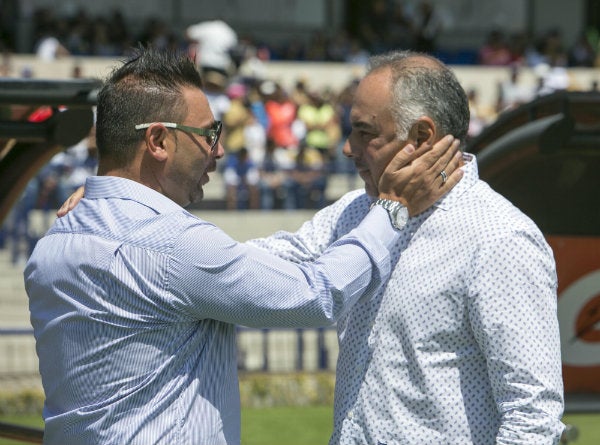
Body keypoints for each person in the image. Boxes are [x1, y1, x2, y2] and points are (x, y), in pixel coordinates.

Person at [25, 47, 462, 445]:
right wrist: (393, 208)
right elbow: (316, 295)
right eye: (208, 133)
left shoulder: (55, 243)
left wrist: (108, 193)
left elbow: (231, 267)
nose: (218, 152)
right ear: (158, 141)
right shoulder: (173, 246)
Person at [249, 50, 565, 444]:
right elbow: (257, 268)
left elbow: (532, 417)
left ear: (421, 137)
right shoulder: (354, 212)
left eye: (365, 133)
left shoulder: (500, 238)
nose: (348, 148)